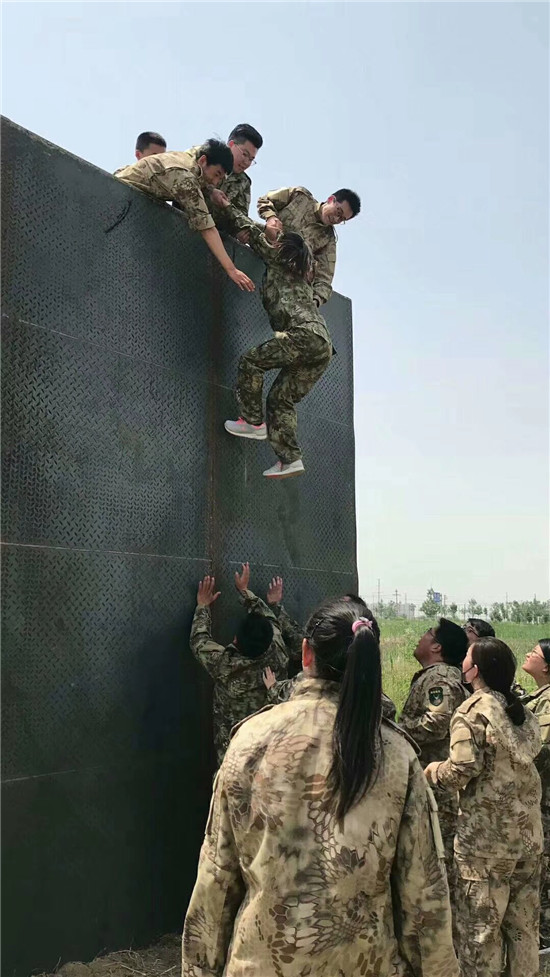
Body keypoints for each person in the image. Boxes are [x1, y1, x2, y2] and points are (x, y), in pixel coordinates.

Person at [182, 597, 459, 977]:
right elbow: (424, 898)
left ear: (305, 653)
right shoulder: (395, 755)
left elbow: (216, 882)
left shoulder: (250, 741)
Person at [425, 637, 543, 977]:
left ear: (475, 670)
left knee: (481, 934)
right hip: (528, 839)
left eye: (466, 656)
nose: (462, 659)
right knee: (523, 931)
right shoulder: (520, 711)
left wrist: (433, 772)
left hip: (485, 846)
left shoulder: (472, 712)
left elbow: (462, 768)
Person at [223, 218, 332, 478]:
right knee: (280, 399)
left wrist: (224, 202)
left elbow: (249, 230)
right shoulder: (302, 277)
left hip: (303, 336)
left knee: (251, 362)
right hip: (322, 346)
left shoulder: (278, 258)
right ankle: (290, 459)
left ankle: (252, 421)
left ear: (284, 247)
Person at [114, 139, 254, 292]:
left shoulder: (188, 160)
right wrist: (231, 270)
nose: (215, 182)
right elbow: (207, 228)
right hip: (118, 201)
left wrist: (210, 191)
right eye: (216, 174)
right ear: (203, 160)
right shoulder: (184, 177)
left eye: (220, 179)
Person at [189, 563, 288, 765]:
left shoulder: (224, 664)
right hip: (268, 759)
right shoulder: (278, 652)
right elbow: (271, 620)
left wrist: (202, 606)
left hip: (233, 760)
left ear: (235, 640)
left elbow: (199, 640)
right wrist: (245, 593)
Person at [399, 619, 469, 875]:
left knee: (436, 859)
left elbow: (437, 722)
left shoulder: (439, 677)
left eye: (427, 633)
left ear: (437, 647)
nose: (421, 637)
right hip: (434, 780)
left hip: (436, 784)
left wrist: (398, 732)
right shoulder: (439, 676)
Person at [263, 595, 397, 721]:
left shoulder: (295, 691)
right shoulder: (384, 709)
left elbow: (280, 694)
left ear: (307, 652)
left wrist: (273, 688)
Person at [257, 186, 361, 307]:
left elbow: (325, 278)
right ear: (331, 199)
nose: (336, 219)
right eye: (338, 212)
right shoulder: (299, 197)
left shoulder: (328, 239)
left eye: (342, 219)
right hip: (261, 251)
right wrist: (271, 217)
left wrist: (315, 301)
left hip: (282, 276)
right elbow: (265, 200)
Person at [522, 638, 550, 947]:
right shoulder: (538, 696)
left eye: (535, 652)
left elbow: (537, 750)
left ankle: (544, 936)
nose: (529, 653)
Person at [207, 123, 263, 241]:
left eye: (251, 159)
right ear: (231, 145)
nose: (246, 162)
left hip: (216, 239)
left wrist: (240, 233)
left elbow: (239, 216)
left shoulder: (243, 182)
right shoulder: (208, 156)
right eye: (244, 154)